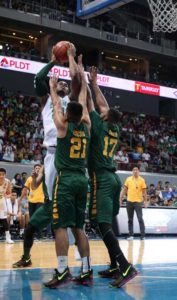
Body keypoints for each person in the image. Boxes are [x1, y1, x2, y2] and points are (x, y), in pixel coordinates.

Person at [12, 43, 81, 268]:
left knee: (64, 205)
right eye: (59, 82)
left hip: (67, 156)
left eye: (64, 83)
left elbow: (78, 84)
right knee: (36, 220)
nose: (62, 83)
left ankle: (77, 256)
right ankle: (27, 255)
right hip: (51, 156)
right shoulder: (47, 101)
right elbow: (37, 79)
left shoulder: (71, 105)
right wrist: (53, 61)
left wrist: (71, 62)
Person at [87, 66, 137, 288]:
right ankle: (115, 265)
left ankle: (125, 266)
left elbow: (91, 104)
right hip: (114, 178)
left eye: (103, 113)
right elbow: (104, 106)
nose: (101, 112)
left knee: (101, 223)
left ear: (105, 118)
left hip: (103, 179)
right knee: (105, 224)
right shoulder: (114, 127)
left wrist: (86, 82)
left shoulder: (98, 125)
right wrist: (96, 83)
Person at [44, 67, 92, 288]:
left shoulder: (62, 127)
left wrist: (53, 89)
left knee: (60, 226)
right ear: (81, 114)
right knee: (79, 227)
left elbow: (55, 105)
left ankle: (62, 271)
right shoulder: (87, 126)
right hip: (82, 179)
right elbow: (81, 102)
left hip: (65, 179)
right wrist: (82, 81)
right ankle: (86, 269)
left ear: (67, 115)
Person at [120, 166, 147, 240]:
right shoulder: (128, 179)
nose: (135, 171)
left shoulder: (142, 180)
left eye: (137, 170)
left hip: (138, 202)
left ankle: (143, 235)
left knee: (140, 218)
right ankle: (131, 235)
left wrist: (145, 201)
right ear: (132, 171)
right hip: (129, 201)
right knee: (130, 219)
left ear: (139, 171)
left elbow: (144, 192)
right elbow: (124, 190)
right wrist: (120, 198)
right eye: (134, 170)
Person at [0, 168, 14, 243]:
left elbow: (9, 193)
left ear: (5, 175)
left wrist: (6, 196)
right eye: (0, 174)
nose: (1, 176)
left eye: (3, 174)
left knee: (4, 220)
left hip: (2, 202)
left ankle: (8, 237)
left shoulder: (7, 181)